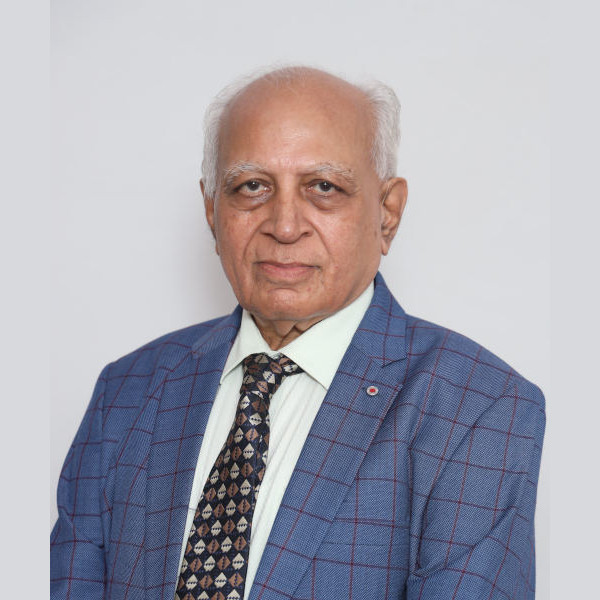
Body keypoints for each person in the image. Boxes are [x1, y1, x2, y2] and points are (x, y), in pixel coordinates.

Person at [50, 66, 546, 600]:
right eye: (252, 186)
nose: (284, 226)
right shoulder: (127, 390)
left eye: (324, 187)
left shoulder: (479, 407)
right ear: (212, 211)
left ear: (387, 213)